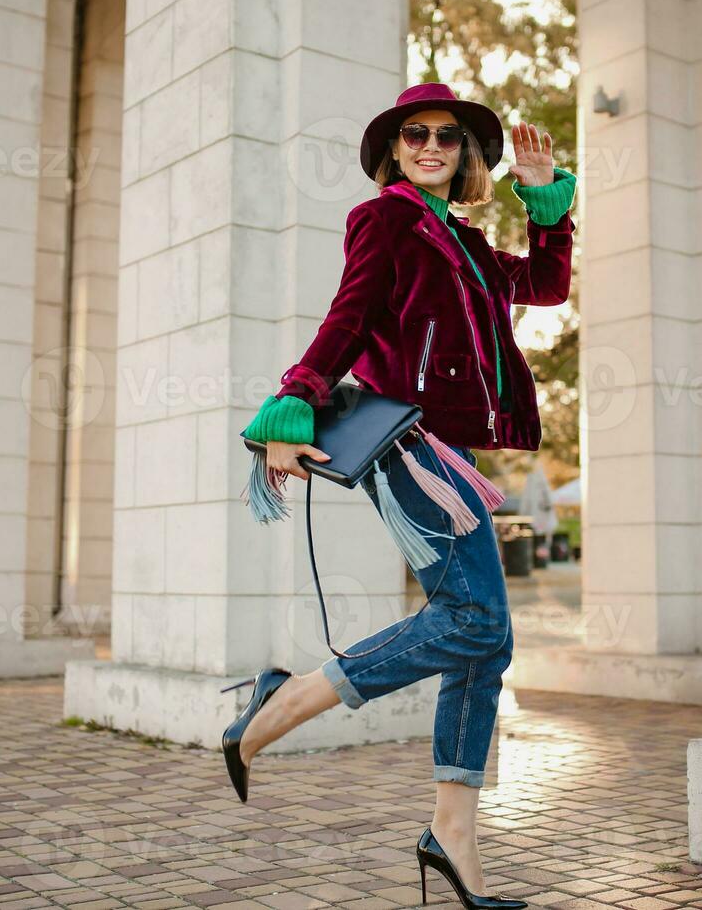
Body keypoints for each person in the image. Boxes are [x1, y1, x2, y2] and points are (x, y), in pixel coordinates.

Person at [227, 81, 576, 909]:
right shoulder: (384, 219)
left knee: (484, 643)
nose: (430, 146)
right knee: (475, 620)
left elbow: (550, 288)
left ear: (465, 156)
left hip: (448, 447)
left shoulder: (463, 239)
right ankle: (279, 705)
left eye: (447, 137)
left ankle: (450, 832)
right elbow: (348, 317)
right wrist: (294, 400)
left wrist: (546, 203)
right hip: (408, 445)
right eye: (414, 134)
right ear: (393, 148)